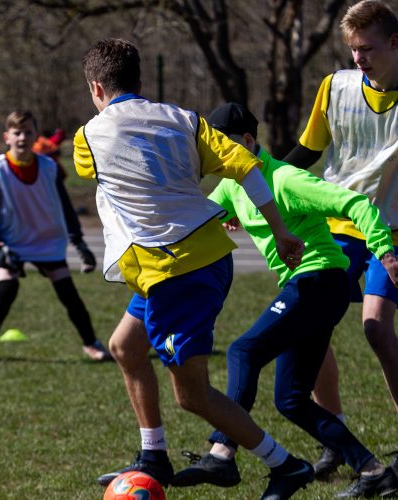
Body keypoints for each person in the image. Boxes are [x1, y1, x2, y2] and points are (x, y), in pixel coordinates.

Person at [75, 38, 314, 500]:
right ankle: (153, 456)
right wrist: (281, 232)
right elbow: (247, 166)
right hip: (192, 260)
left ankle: (286, 465)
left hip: (175, 270)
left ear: (96, 87)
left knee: (192, 395)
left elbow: (92, 170)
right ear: (140, 81)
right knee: (125, 346)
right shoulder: (186, 120)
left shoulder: (89, 137)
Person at [171, 102, 398, 498]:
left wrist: (385, 250)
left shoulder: (285, 179)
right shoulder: (231, 185)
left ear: (246, 142)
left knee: (243, 350)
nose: (213, 152)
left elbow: (356, 203)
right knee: (291, 400)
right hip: (305, 287)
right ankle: (373, 469)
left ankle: (223, 451)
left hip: (322, 280)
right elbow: (200, 219)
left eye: (221, 143)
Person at [283, 0, 398, 479]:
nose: (358, 59)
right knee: (311, 323)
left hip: (390, 230)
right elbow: (307, 150)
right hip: (336, 225)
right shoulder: (336, 87)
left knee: (375, 327)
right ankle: (334, 436)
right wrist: (259, 191)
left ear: (395, 43)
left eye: (367, 48)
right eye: (353, 50)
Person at [0, 110, 111, 365]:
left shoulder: (49, 167)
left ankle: (91, 343)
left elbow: (65, 208)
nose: (22, 137)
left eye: (28, 132)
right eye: (17, 133)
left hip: (47, 241)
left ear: (36, 136)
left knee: (69, 294)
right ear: (6, 137)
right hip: (10, 243)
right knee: (7, 289)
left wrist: (79, 243)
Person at [32, 128, 97, 273]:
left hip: (51, 183)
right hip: (33, 190)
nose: (23, 137)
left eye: (28, 132)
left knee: (66, 215)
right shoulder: (5, 167)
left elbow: (54, 146)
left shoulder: (42, 149)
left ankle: (81, 249)